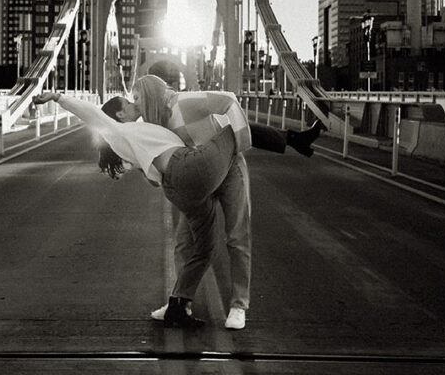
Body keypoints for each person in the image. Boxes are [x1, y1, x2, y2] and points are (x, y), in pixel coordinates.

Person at [106, 75, 324, 330]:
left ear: (151, 94)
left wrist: (240, 145)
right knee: (184, 243)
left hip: (230, 169)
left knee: (237, 237)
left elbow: (228, 101)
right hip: (201, 177)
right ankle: (180, 302)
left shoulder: (182, 103)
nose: (136, 104)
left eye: (138, 98)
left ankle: (239, 306)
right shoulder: (155, 123)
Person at [31, 89, 244, 329]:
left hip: (176, 188)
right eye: (130, 104)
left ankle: (178, 305)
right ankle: (288, 139)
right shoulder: (118, 131)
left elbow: (153, 178)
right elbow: (91, 114)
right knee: (230, 131)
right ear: (120, 114)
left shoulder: (131, 137)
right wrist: (58, 98)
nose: (135, 105)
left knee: (205, 248)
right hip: (185, 169)